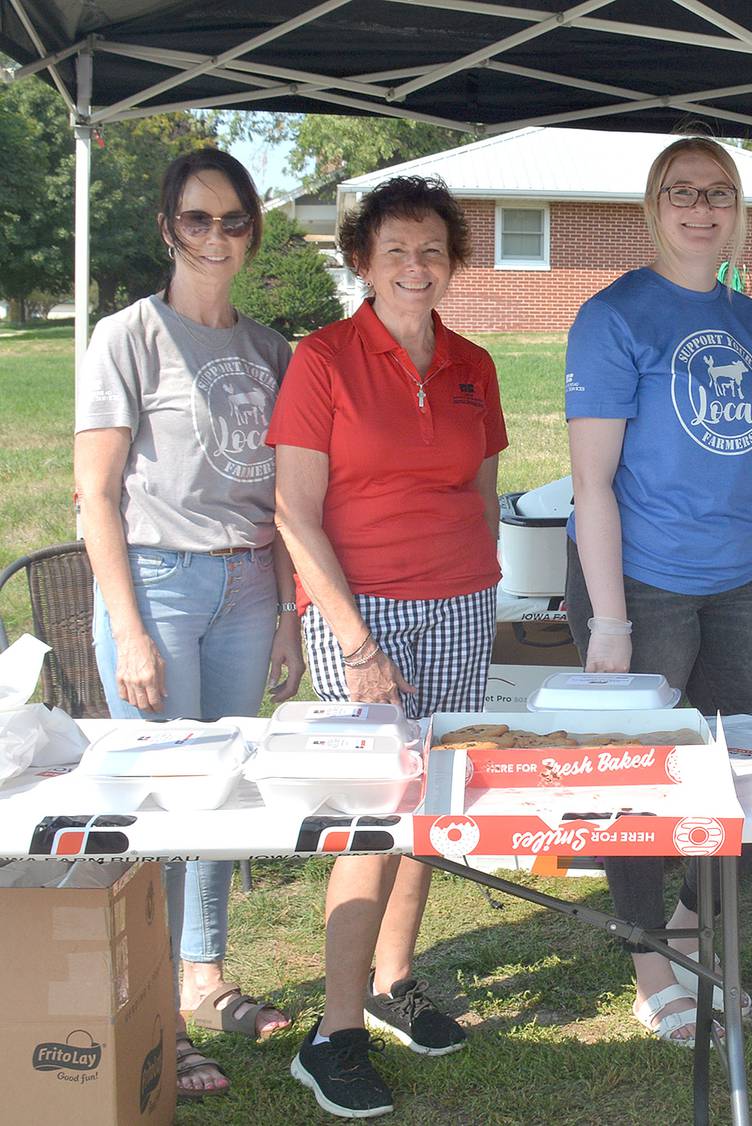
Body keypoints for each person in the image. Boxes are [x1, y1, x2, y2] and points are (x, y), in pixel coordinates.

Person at [270, 175, 505, 1118]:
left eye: (432, 250)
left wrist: (479, 581)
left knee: (431, 801)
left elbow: (482, 489)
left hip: (461, 605)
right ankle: (332, 1035)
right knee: (370, 815)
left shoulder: (473, 363)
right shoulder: (322, 359)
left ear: (453, 262)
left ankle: (392, 981)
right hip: (358, 612)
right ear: (362, 261)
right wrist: (357, 641)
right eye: (396, 250)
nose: (416, 266)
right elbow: (294, 511)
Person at [75, 147, 299, 1100]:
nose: (216, 236)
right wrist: (127, 630)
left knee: (227, 792)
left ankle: (205, 977)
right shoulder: (126, 336)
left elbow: (286, 500)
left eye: (233, 219)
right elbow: (95, 495)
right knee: (165, 807)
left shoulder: (272, 350)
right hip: (158, 583)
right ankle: (155, 1009)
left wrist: (287, 610)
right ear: (168, 227)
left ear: (253, 231)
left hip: (248, 585)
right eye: (197, 218)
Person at [564, 136, 752, 1046]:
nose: (702, 209)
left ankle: (694, 932)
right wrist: (610, 620)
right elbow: (591, 483)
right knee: (637, 775)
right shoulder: (612, 316)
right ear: (652, 209)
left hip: (736, 580)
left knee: (749, 769)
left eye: (719, 193)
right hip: (641, 583)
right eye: (682, 193)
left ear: (738, 210)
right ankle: (650, 964)